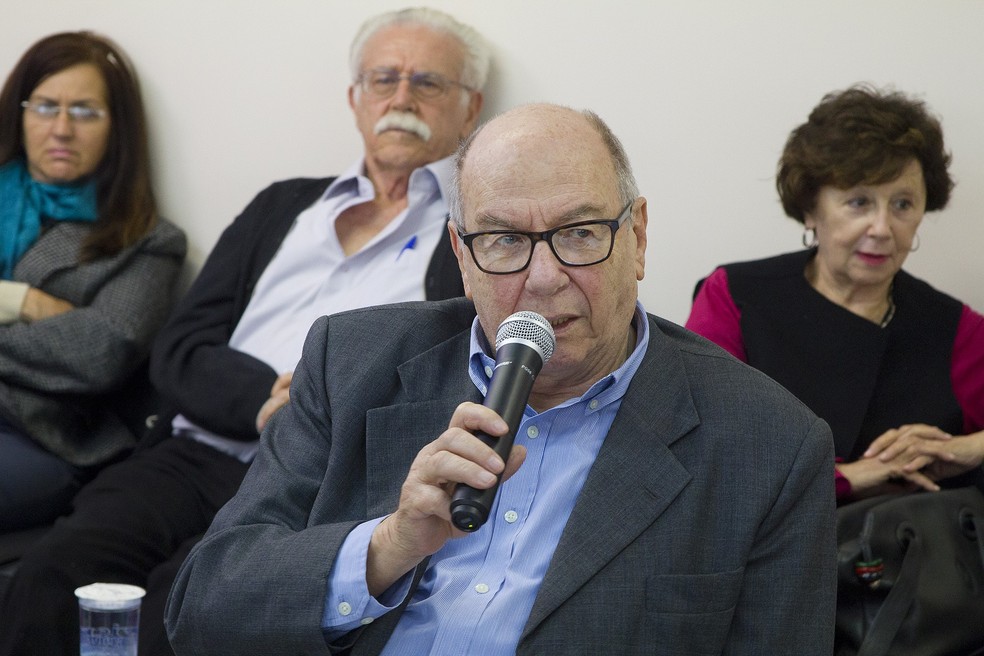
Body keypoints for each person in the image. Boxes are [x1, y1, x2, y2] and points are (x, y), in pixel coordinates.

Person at [165, 103, 837, 655]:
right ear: (462, 256)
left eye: (580, 233)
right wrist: (388, 546)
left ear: (637, 236)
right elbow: (202, 609)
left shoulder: (770, 445)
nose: (543, 279)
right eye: (505, 240)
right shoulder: (350, 362)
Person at [0, 7, 486, 655]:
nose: (401, 98)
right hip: (192, 455)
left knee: (181, 613)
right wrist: (262, 397)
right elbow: (179, 350)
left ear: (471, 106)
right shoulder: (283, 205)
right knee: (54, 576)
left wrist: (312, 407)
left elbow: (449, 381)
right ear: (355, 98)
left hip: (315, 477)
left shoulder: (469, 234)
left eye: (427, 82)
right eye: (383, 79)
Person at [685, 84, 984, 503]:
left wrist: (968, 448)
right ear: (811, 208)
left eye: (902, 204)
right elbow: (701, 445)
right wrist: (849, 478)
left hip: (911, 543)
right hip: (765, 540)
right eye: (859, 202)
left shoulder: (954, 328)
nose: (882, 228)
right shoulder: (734, 297)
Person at [0, 31, 186, 531]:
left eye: (84, 111)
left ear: (116, 127)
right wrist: (23, 301)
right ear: (19, 113)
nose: (62, 129)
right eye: (45, 107)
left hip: (40, 437)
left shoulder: (148, 241)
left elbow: (100, 351)